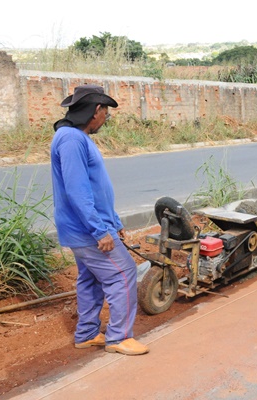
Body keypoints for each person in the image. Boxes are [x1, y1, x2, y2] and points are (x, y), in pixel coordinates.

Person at [51, 84, 149, 355]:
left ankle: (86, 333)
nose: (106, 118)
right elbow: (77, 191)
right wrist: (99, 231)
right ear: (96, 110)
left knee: (91, 279)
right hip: (85, 230)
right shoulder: (71, 140)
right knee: (124, 273)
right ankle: (118, 337)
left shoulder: (76, 137)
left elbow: (97, 189)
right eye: (105, 111)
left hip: (88, 227)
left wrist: (113, 224)